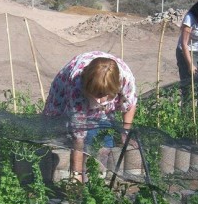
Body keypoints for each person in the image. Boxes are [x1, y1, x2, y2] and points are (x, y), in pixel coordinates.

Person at [43, 51, 137, 182]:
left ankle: (98, 180)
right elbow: (78, 138)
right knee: (81, 139)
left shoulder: (125, 79)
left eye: (103, 95)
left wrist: (125, 132)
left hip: (105, 85)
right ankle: (82, 179)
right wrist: (77, 176)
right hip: (68, 88)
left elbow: (130, 104)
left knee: (104, 142)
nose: (99, 101)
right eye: (96, 95)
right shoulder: (76, 87)